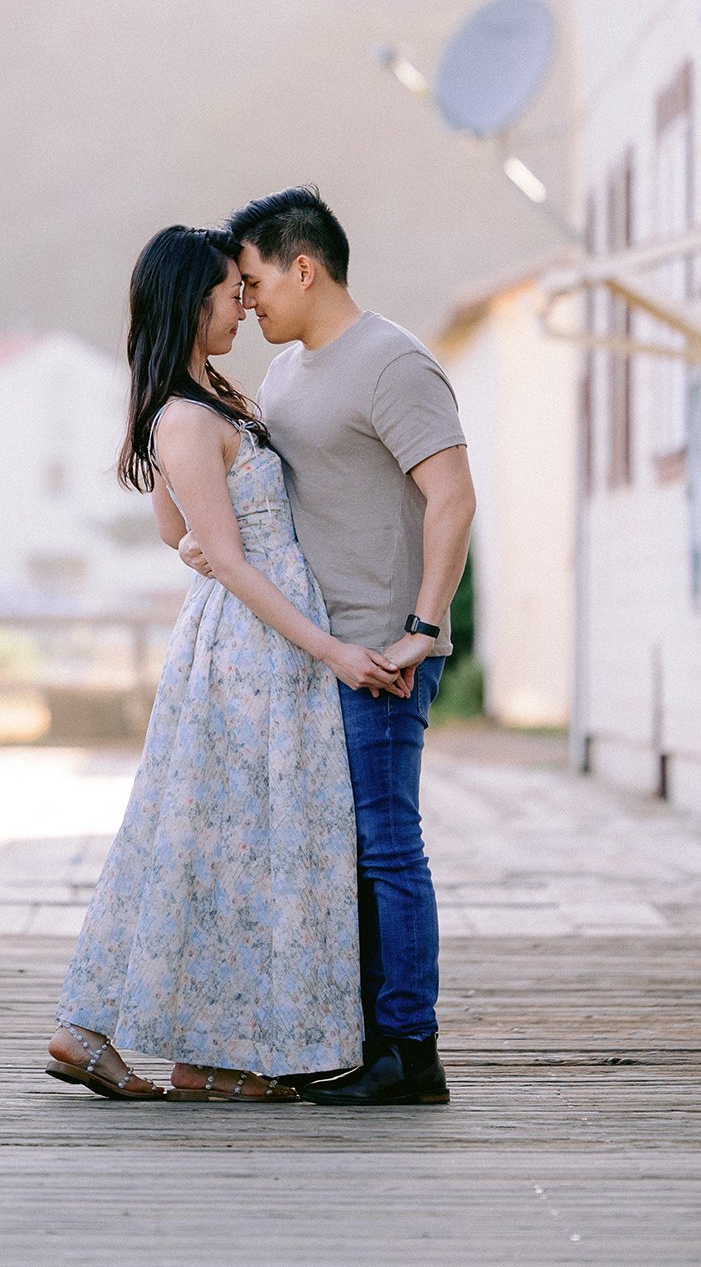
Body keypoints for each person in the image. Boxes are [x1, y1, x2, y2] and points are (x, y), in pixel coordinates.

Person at [47, 224, 406, 1104]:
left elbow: (184, 538)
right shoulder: (183, 415)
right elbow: (218, 552)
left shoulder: (213, 400)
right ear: (190, 301)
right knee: (220, 840)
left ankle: (208, 1053)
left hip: (264, 637)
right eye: (227, 293)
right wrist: (331, 649)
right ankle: (97, 1030)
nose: (242, 304)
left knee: (236, 846)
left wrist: (211, 552)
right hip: (256, 646)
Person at [178, 185, 475, 1106]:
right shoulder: (286, 375)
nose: (249, 297)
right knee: (333, 851)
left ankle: (409, 1051)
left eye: (257, 279)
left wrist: (422, 627)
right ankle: (356, 1036)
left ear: (304, 267)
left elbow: (453, 495)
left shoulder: (393, 363)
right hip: (309, 652)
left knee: (386, 845)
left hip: (380, 650)